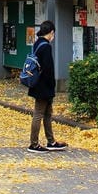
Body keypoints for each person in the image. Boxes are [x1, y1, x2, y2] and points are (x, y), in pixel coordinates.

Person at [26, 19, 67, 153]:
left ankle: (51, 141)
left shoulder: (37, 43)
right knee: (39, 113)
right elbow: (48, 68)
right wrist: (52, 85)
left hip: (37, 83)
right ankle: (34, 144)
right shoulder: (46, 46)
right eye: (53, 34)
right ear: (51, 32)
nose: (53, 36)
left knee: (48, 113)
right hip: (44, 85)